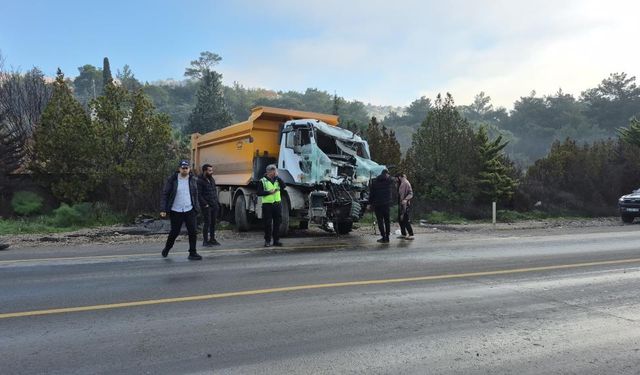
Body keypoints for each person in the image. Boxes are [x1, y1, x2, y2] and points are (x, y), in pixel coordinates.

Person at [160, 160, 202, 260]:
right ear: (179, 169)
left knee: (193, 231)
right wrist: (163, 209)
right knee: (174, 232)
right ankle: (167, 248)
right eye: (183, 168)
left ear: (189, 169)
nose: (185, 170)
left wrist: (197, 208)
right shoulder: (172, 180)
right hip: (176, 210)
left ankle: (192, 252)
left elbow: (196, 195)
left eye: (186, 168)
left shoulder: (193, 180)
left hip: (189, 209)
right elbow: (165, 194)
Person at [257, 164, 286, 247]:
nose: (276, 172)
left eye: (275, 171)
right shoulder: (262, 181)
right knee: (268, 223)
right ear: (269, 172)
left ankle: (276, 240)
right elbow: (259, 193)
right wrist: (269, 192)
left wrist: (278, 178)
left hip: (277, 204)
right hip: (267, 205)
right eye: (274, 171)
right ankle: (267, 241)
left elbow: (284, 186)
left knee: (277, 223)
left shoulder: (277, 180)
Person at [197, 163, 220, 247]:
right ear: (204, 171)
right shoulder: (200, 181)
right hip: (206, 206)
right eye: (210, 170)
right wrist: (205, 204)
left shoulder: (212, 179)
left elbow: (214, 192)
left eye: (212, 170)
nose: (211, 172)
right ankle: (205, 241)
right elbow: (199, 195)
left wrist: (216, 203)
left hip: (214, 205)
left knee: (213, 223)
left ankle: (212, 239)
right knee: (207, 222)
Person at [369, 168, 393, 243]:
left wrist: (370, 204)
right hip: (386, 204)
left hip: (378, 205)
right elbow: (392, 179)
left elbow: (371, 195)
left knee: (380, 221)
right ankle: (388, 236)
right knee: (387, 221)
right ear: (386, 174)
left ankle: (383, 236)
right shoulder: (388, 181)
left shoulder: (375, 182)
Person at [396, 172, 415, 240]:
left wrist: (406, 199)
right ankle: (403, 234)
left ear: (399, 177)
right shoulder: (401, 183)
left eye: (396, 178)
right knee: (400, 220)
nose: (396, 180)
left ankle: (411, 234)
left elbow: (411, 193)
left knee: (405, 219)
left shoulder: (406, 183)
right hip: (400, 204)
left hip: (405, 204)